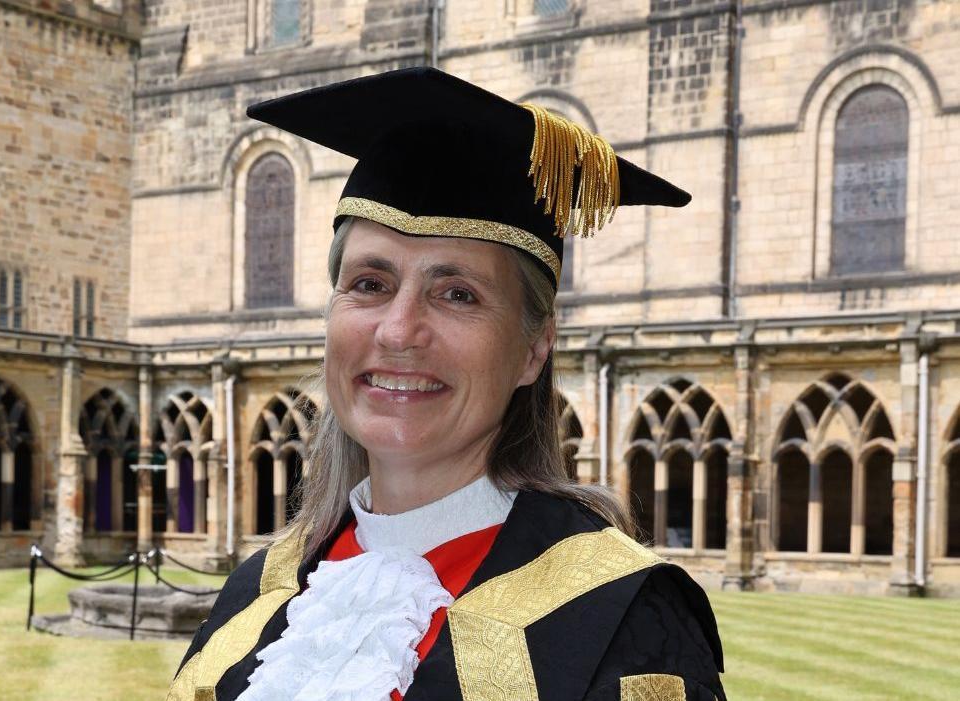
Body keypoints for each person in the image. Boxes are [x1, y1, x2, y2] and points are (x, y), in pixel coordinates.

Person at [166, 67, 726, 701]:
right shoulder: (256, 594)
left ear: (533, 350)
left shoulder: (618, 617)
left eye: (457, 293)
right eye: (369, 284)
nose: (399, 331)